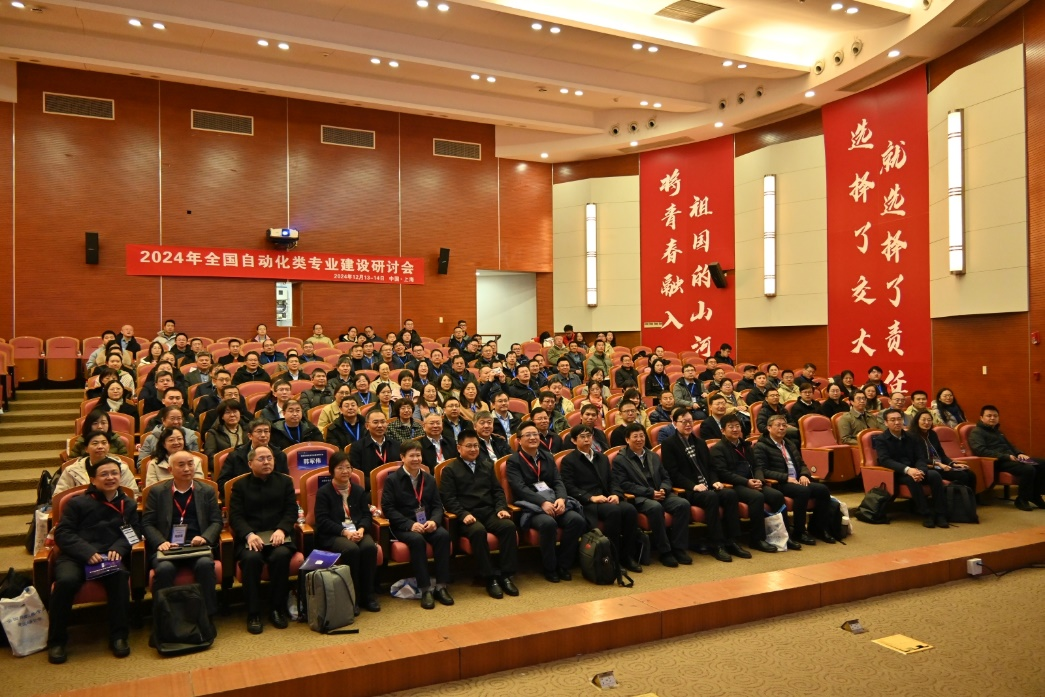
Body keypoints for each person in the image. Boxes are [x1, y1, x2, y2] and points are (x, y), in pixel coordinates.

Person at [46, 456, 138, 664]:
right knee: (66, 581)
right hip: (76, 556)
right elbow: (64, 533)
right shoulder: (77, 503)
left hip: (108, 557)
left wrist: (118, 548)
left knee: (120, 577)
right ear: (93, 479)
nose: (110, 478)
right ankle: (57, 641)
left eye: (114, 473)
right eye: (104, 474)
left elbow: (133, 532)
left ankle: (119, 636)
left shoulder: (127, 503)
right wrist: (86, 552)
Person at [439, 430, 520, 599]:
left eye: (476, 445)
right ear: (459, 448)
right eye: (469, 446)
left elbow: (497, 491)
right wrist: (462, 514)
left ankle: (506, 574)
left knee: (508, 526)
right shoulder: (450, 470)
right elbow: (449, 499)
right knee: (478, 531)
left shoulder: (487, 465)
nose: (473, 449)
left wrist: (501, 508)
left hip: (489, 512)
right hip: (467, 515)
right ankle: (489, 577)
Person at [141, 451, 222, 619]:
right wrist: (160, 542)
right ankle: (165, 619)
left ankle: (207, 617)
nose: (187, 468)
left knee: (205, 565)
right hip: (168, 547)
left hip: (196, 546)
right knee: (164, 569)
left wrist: (205, 538)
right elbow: (147, 523)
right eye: (181, 465)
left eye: (190, 464)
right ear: (170, 469)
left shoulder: (206, 490)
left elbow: (216, 521)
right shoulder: (158, 492)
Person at [506, 422, 587, 583]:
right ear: (519, 440)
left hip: (553, 500)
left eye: (535, 434)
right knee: (548, 523)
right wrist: (542, 502)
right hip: (531, 506)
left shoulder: (548, 456)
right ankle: (550, 567)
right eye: (528, 435)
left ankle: (564, 565)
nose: (533, 437)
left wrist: (561, 499)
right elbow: (520, 488)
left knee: (576, 520)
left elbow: (558, 481)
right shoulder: (513, 461)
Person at [230, 445, 298, 633]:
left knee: (280, 556)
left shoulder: (285, 482)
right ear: (250, 463)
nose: (267, 462)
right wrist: (249, 534)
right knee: (251, 559)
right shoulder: (240, 486)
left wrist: (282, 530)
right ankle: (253, 613)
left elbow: (291, 511)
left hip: (279, 536)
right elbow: (236, 517)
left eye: (270, 458)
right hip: (252, 538)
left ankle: (277, 608)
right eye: (261, 459)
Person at [559, 424, 643, 573]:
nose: (587, 439)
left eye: (589, 436)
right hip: (587, 503)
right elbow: (569, 486)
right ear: (573, 440)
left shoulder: (602, 457)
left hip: (606, 498)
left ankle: (627, 556)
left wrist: (616, 494)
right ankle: (611, 559)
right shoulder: (569, 460)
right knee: (613, 512)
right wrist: (591, 497)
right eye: (582, 437)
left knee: (630, 510)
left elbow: (612, 480)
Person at [381, 440, 453, 609]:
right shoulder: (392, 480)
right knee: (417, 540)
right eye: (411, 456)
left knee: (443, 535)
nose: (416, 459)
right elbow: (388, 509)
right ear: (402, 457)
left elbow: (437, 506)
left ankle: (441, 586)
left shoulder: (429, 478)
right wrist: (410, 524)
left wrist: (434, 521)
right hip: (404, 526)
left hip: (427, 523)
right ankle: (425, 588)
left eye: (418, 455)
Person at [613, 423, 693, 567]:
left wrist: (664, 489)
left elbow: (666, 477)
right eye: (635, 436)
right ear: (627, 439)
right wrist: (650, 493)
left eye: (642, 436)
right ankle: (665, 551)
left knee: (683, 504)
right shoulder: (621, 459)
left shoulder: (653, 455)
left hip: (660, 493)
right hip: (640, 497)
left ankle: (679, 548)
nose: (639, 439)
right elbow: (624, 484)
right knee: (655, 507)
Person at [313, 452, 381, 613]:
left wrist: (361, 529)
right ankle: (352, 597)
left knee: (369, 547)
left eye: (348, 467)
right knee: (351, 550)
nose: (345, 471)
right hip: (334, 534)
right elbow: (322, 521)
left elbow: (366, 515)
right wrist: (345, 532)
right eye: (340, 468)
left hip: (357, 530)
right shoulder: (324, 492)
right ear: (332, 470)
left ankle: (368, 596)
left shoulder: (358, 490)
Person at [754, 415, 836, 543]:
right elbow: (762, 470)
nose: (782, 428)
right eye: (778, 425)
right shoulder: (761, 446)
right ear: (769, 428)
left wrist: (804, 475)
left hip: (797, 479)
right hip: (779, 483)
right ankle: (799, 531)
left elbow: (802, 464)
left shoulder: (789, 443)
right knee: (802, 491)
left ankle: (818, 528)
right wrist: (786, 478)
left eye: (784, 425)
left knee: (822, 490)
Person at [709, 415, 784, 554]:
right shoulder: (718, 449)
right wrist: (746, 482)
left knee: (777, 495)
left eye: (737, 426)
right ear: (723, 430)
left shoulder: (746, 445)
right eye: (731, 427)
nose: (735, 429)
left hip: (752, 481)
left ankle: (781, 535)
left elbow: (757, 466)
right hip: (735, 484)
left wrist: (759, 479)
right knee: (757, 497)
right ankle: (757, 539)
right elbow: (723, 473)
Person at [872, 409, 947, 527]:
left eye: (899, 419)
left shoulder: (912, 436)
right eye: (893, 420)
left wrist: (921, 470)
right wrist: (908, 470)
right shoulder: (881, 439)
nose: (897, 422)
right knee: (912, 479)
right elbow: (885, 460)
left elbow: (920, 457)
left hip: (916, 469)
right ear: (886, 423)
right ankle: (926, 514)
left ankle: (940, 513)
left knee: (935, 475)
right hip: (898, 473)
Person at [968, 405, 1045, 511]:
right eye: (989, 416)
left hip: (1012, 458)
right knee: (1028, 469)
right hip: (997, 462)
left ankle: (1035, 495)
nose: (992, 418)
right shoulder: (977, 432)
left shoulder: (997, 431)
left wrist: (1019, 453)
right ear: (981, 418)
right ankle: (1022, 499)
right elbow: (981, 451)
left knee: (1042, 463)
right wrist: (1006, 456)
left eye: (995, 416)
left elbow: (1010, 445)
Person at [907, 409, 977, 489]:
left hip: (941, 466)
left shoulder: (932, 434)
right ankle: (959, 496)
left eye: (929, 420)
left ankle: (971, 497)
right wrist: (938, 464)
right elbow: (918, 458)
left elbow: (941, 454)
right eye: (923, 420)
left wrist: (953, 464)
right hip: (928, 467)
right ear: (917, 421)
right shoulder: (911, 436)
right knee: (962, 476)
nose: (926, 422)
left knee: (970, 474)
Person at [217, 420, 289, 496]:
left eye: (266, 431)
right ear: (250, 436)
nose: (263, 435)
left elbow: (285, 481)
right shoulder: (236, 455)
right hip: (243, 497)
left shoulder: (279, 455)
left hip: (273, 496)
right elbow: (222, 482)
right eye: (259, 431)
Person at [348, 409, 401, 487]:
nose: (380, 425)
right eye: (375, 422)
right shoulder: (357, 447)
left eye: (383, 422)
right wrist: (376, 485)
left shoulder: (396, 445)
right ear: (367, 426)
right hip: (369, 489)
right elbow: (357, 474)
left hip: (394, 487)